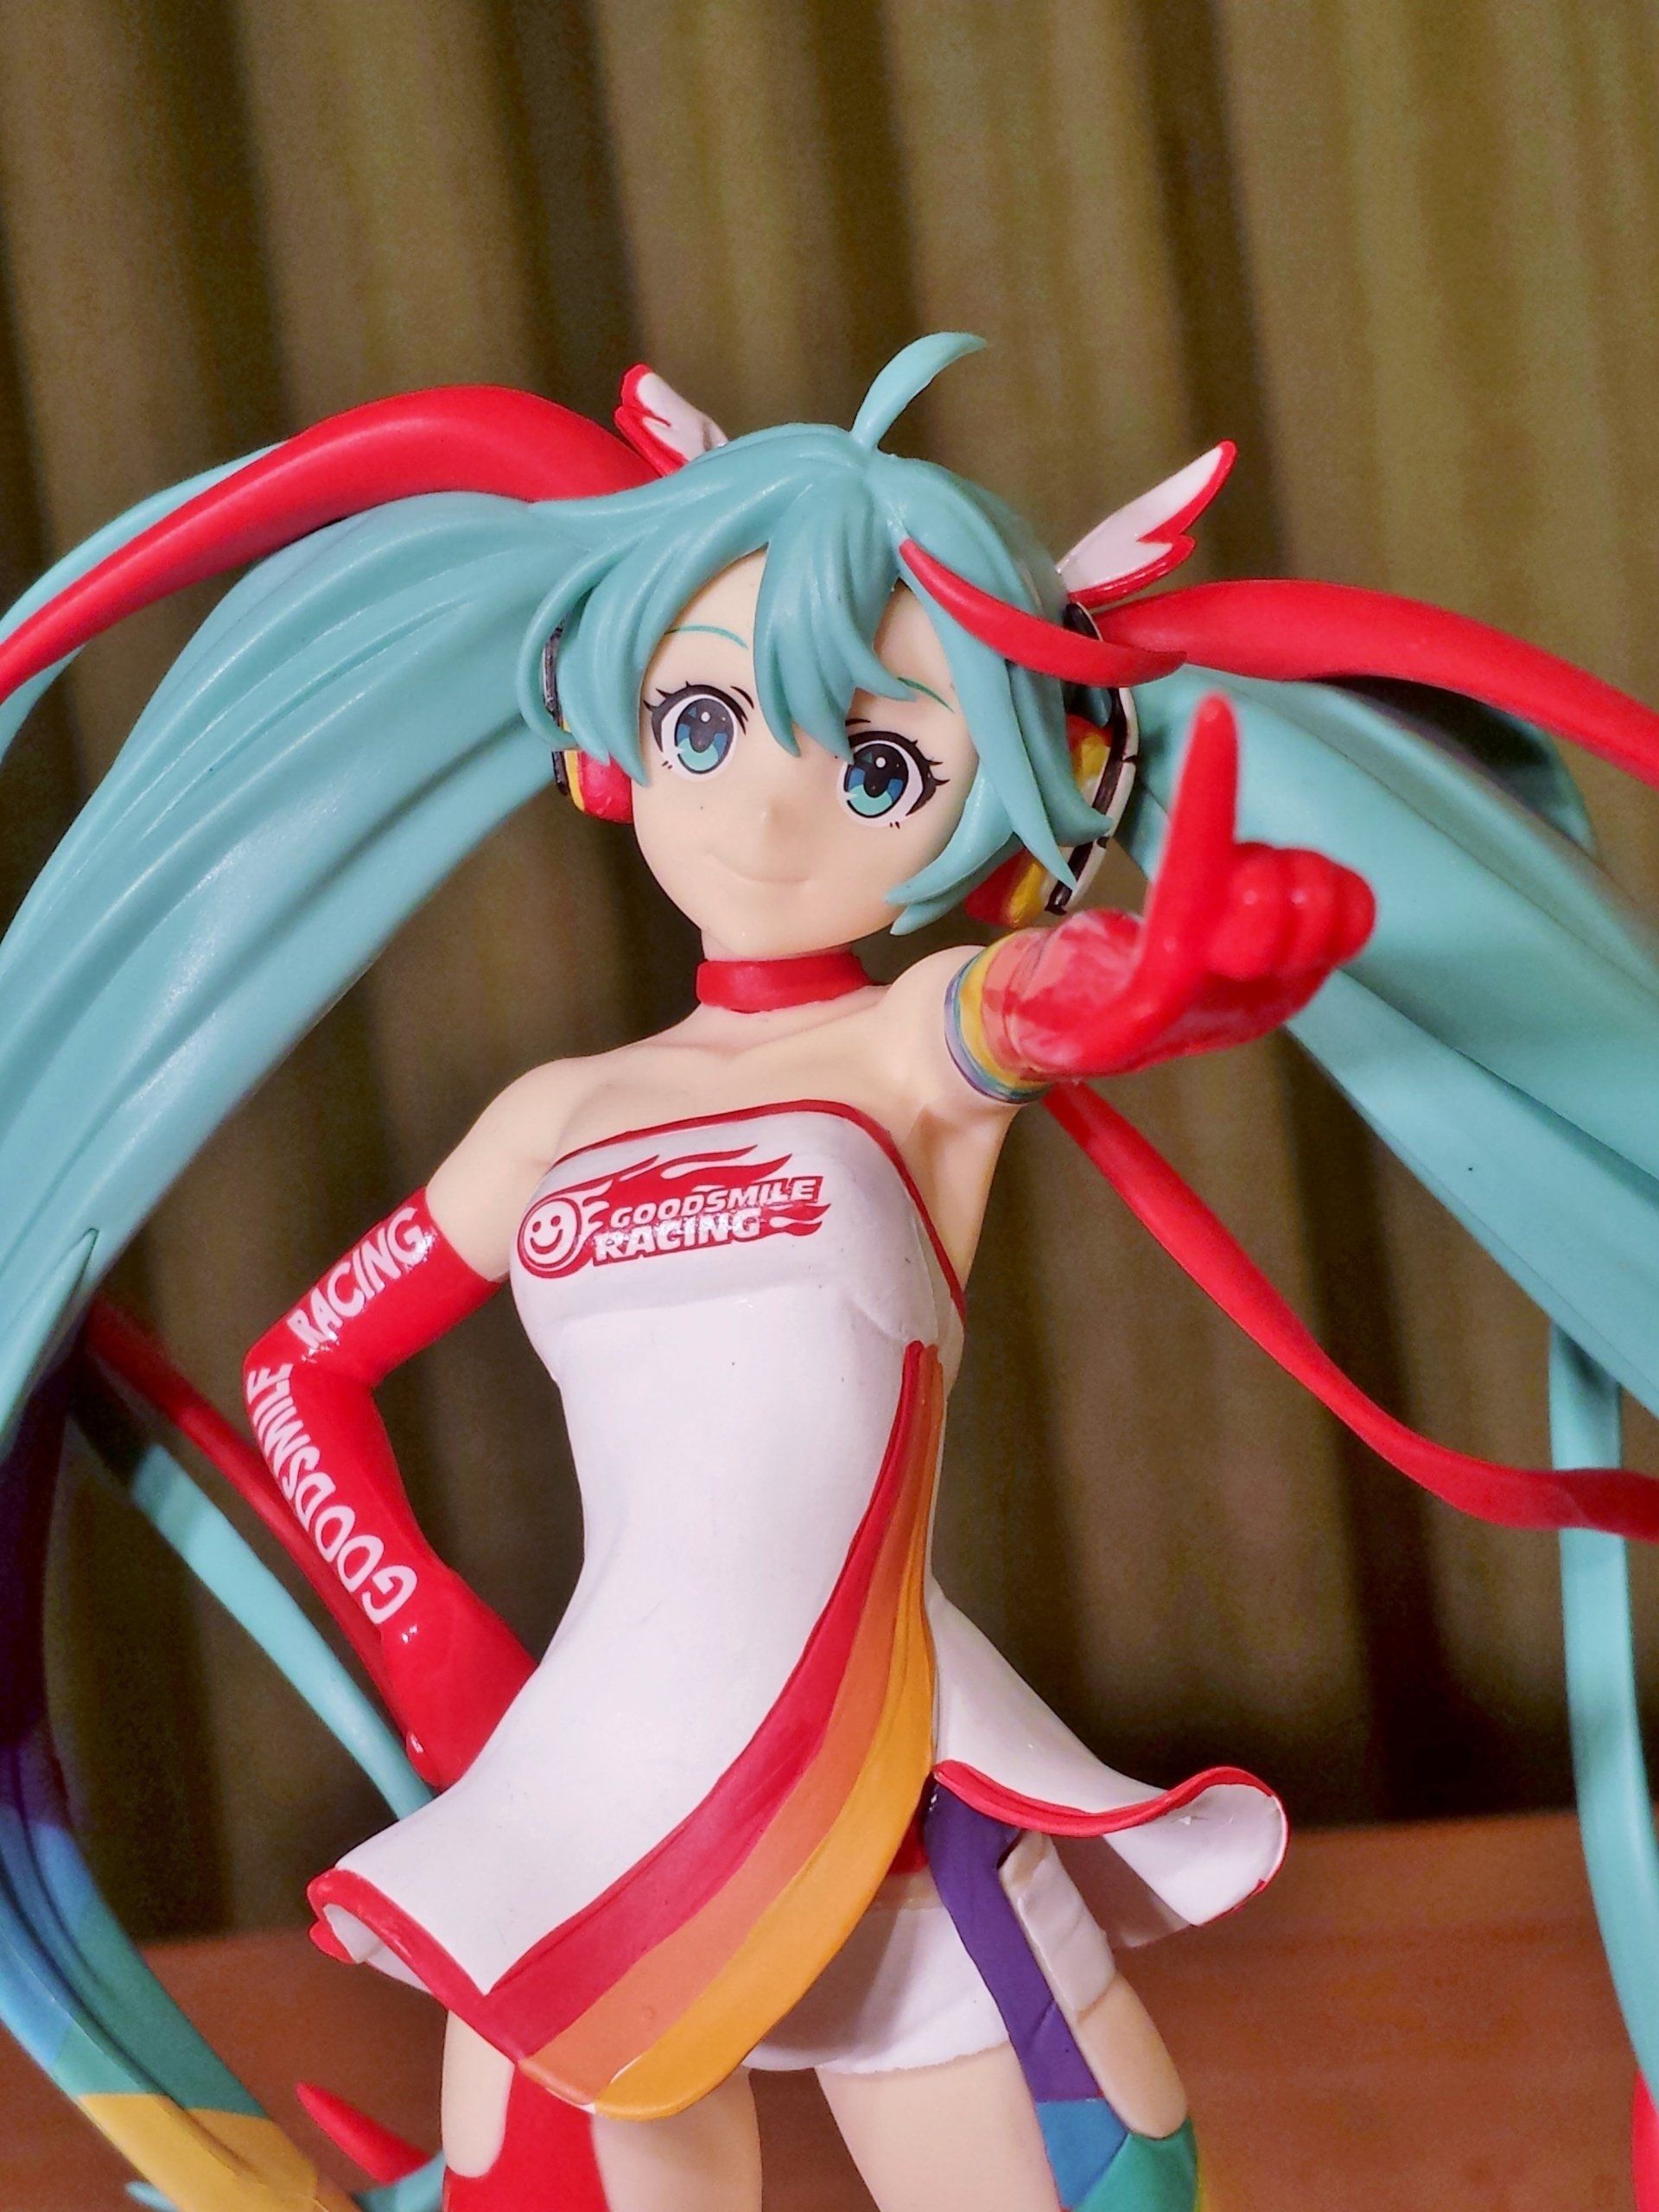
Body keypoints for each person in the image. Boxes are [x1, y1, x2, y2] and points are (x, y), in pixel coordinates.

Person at [4, 336, 1658, 2212]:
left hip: (890, 1787)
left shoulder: (902, 1042)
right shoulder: (557, 1113)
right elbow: (302, 1367)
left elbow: (1027, 1013)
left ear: (989, 808)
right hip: (597, 1788)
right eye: (708, 722)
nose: (772, 815)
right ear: (616, 738)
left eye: (880, 763)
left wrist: (1156, 982)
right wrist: (435, 1647)